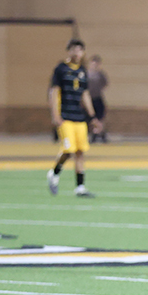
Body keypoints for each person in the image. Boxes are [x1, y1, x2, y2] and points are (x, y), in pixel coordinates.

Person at [47, 39, 100, 197]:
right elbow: (54, 92)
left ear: (83, 52)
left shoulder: (82, 71)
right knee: (68, 150)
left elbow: (85, 94)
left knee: (80, 152)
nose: (77, 53)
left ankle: (80, 187)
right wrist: (55, 115)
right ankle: (54, 173)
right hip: (65, 117)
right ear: (68, 51)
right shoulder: (61, 69)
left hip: (79, 117)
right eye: (74, 49)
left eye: (79, 50)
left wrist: (92, 117)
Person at [87, 55, 109, 143]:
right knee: (91, 118)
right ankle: (93, 134)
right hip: (89, 99)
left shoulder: (101, 74)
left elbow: (105, 84)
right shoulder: (86, 74)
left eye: (96, 64)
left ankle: (101, 133)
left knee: (99, 118)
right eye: (93, 64)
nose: (95, 66)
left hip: (98, 98)